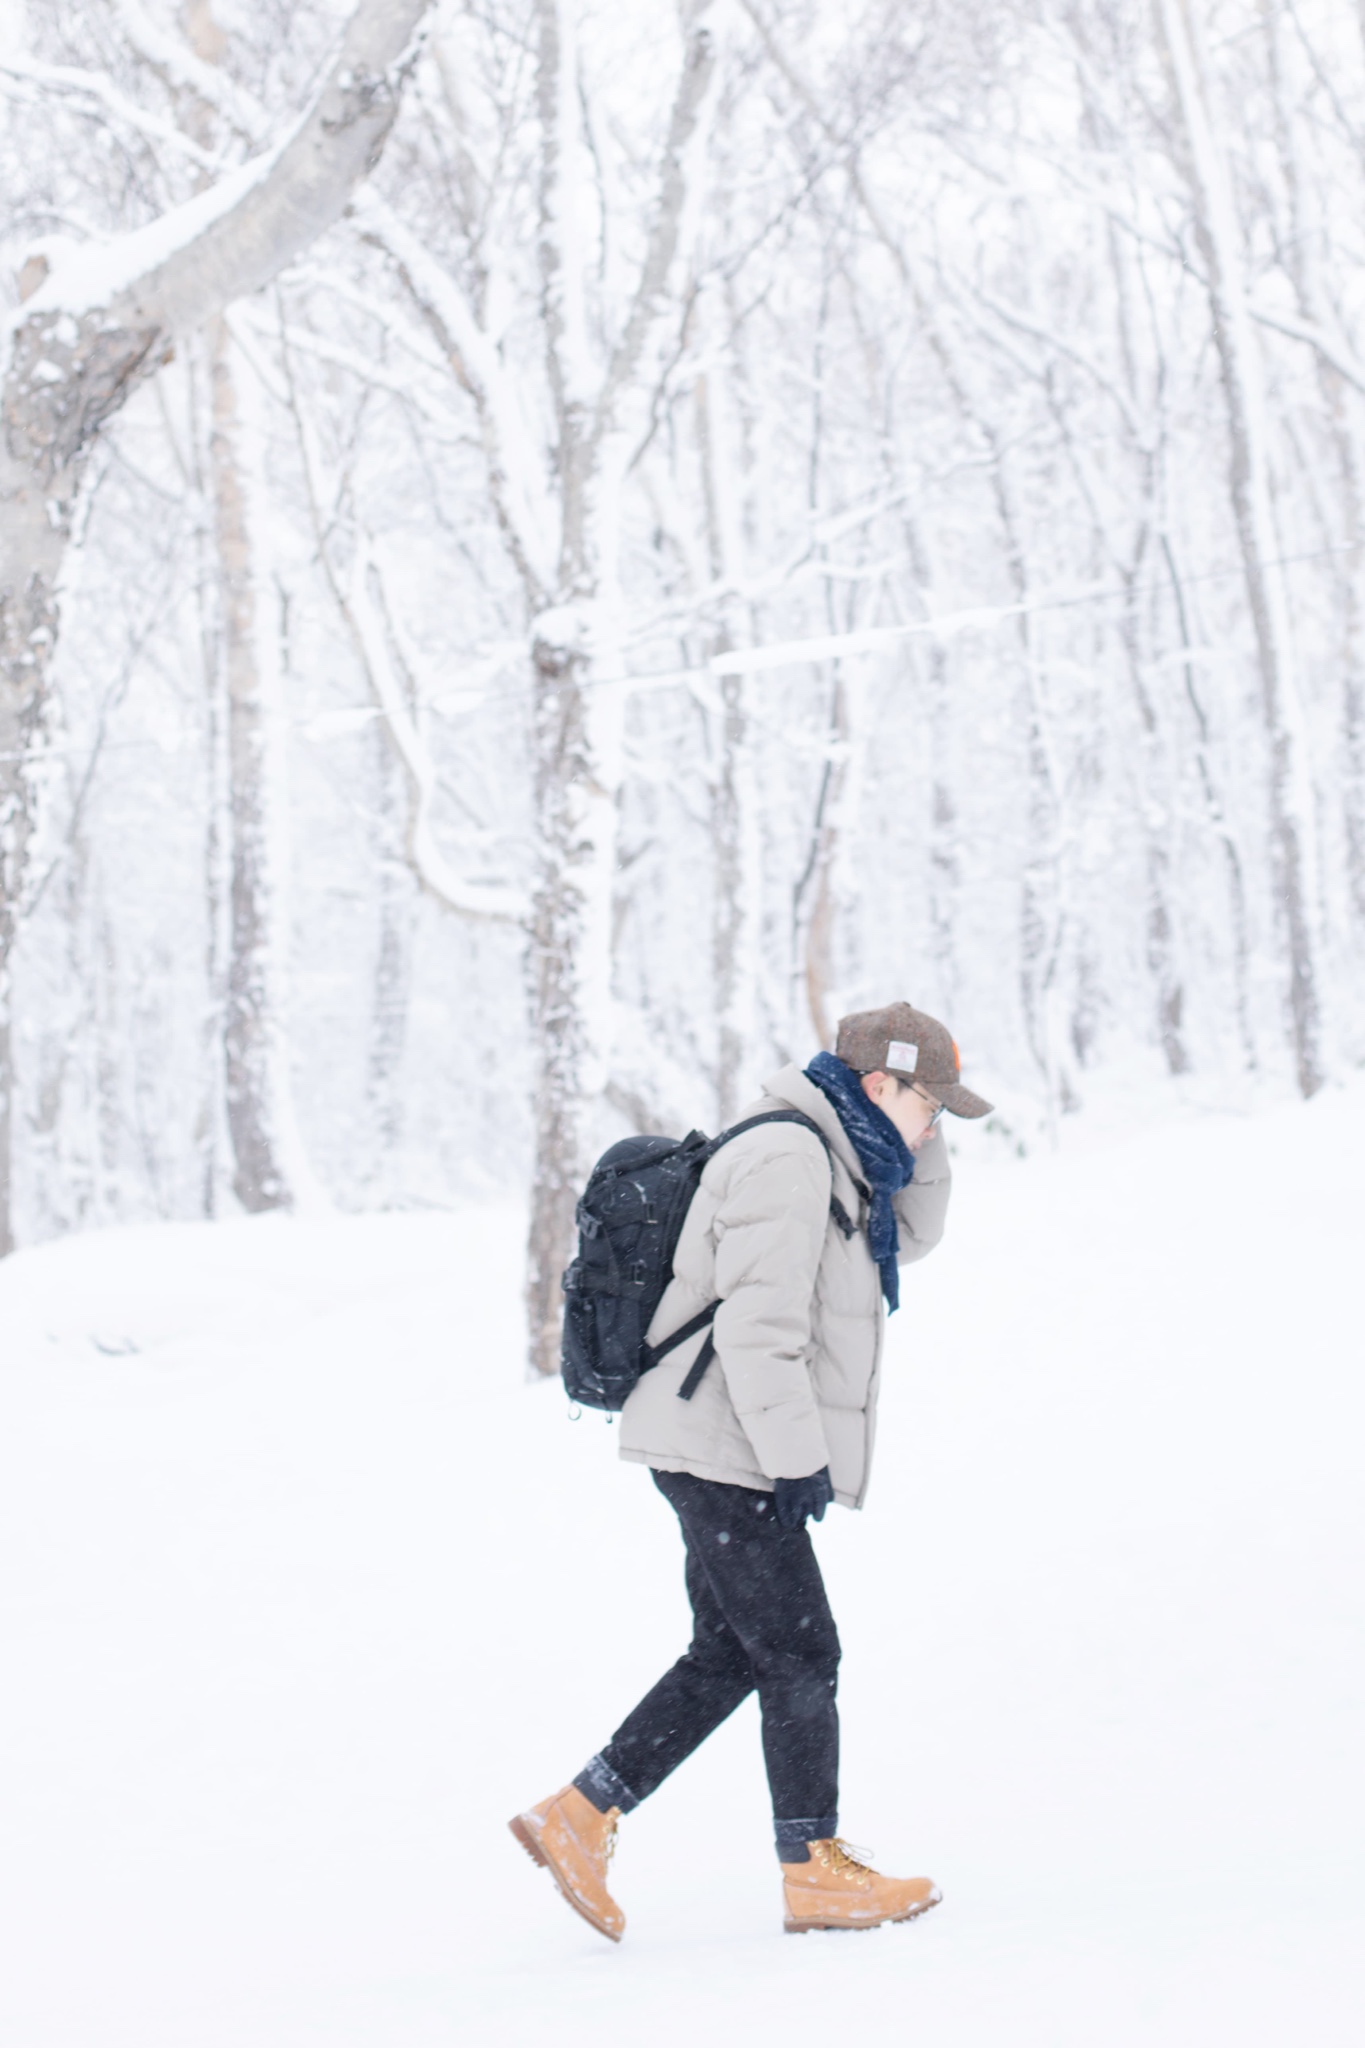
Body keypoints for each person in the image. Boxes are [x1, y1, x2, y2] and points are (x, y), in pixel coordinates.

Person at [510, 1001, 992, 1940]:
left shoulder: (841, 1155)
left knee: (731, 1649)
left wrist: (926, 1135)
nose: (934, 1121)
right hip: (724, 1441)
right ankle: (812, 1870)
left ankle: (579, 1816)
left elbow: (915, 1235)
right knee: (804, 1650)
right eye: (925, 1101)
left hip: (724, 1439)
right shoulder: (789, 1158)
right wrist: (796, 1462)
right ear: (875, 1084)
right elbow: (755, 1327)